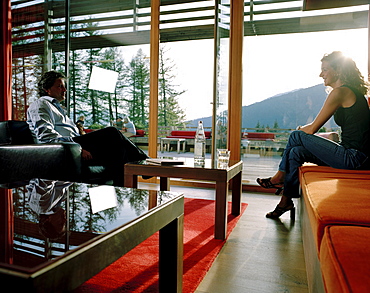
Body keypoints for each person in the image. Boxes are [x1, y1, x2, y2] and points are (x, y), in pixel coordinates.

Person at [257, 51, 370, 219]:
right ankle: (286, 201)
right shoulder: (350, 93)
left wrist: (301, 131)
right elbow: (350, 131)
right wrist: (310, 133)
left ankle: (280, 176)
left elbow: (312, 130)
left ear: (337, 70)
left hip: (354, 158)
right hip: (351, 154)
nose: (321, 74)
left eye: (325, 69)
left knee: (295, 136)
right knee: (296, 152)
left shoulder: (340, 92)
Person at [27, 70, 149, 186]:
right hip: (66, 149)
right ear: (47, 89)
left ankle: (122, 186)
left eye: (64, 86)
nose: (65, 90)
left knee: (118, 151)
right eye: (60, 86)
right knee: (112, 132)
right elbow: (46, 137)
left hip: (74, 144)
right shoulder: (41, 105)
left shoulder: (58, 108)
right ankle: (145, 162)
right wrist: (78, 147)